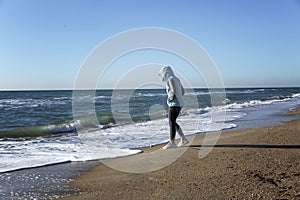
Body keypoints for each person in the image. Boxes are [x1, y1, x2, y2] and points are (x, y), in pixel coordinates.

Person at [159, 66, 189, 149]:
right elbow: (183, 92)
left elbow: (173, 90)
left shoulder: (170, 79)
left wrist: (170, 98)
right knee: (173, 122)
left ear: (165, 73)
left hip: (174, 104)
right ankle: (183, 139)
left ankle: (172, 142)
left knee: (171, 122)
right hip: (180, 104)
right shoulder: (177, 79)